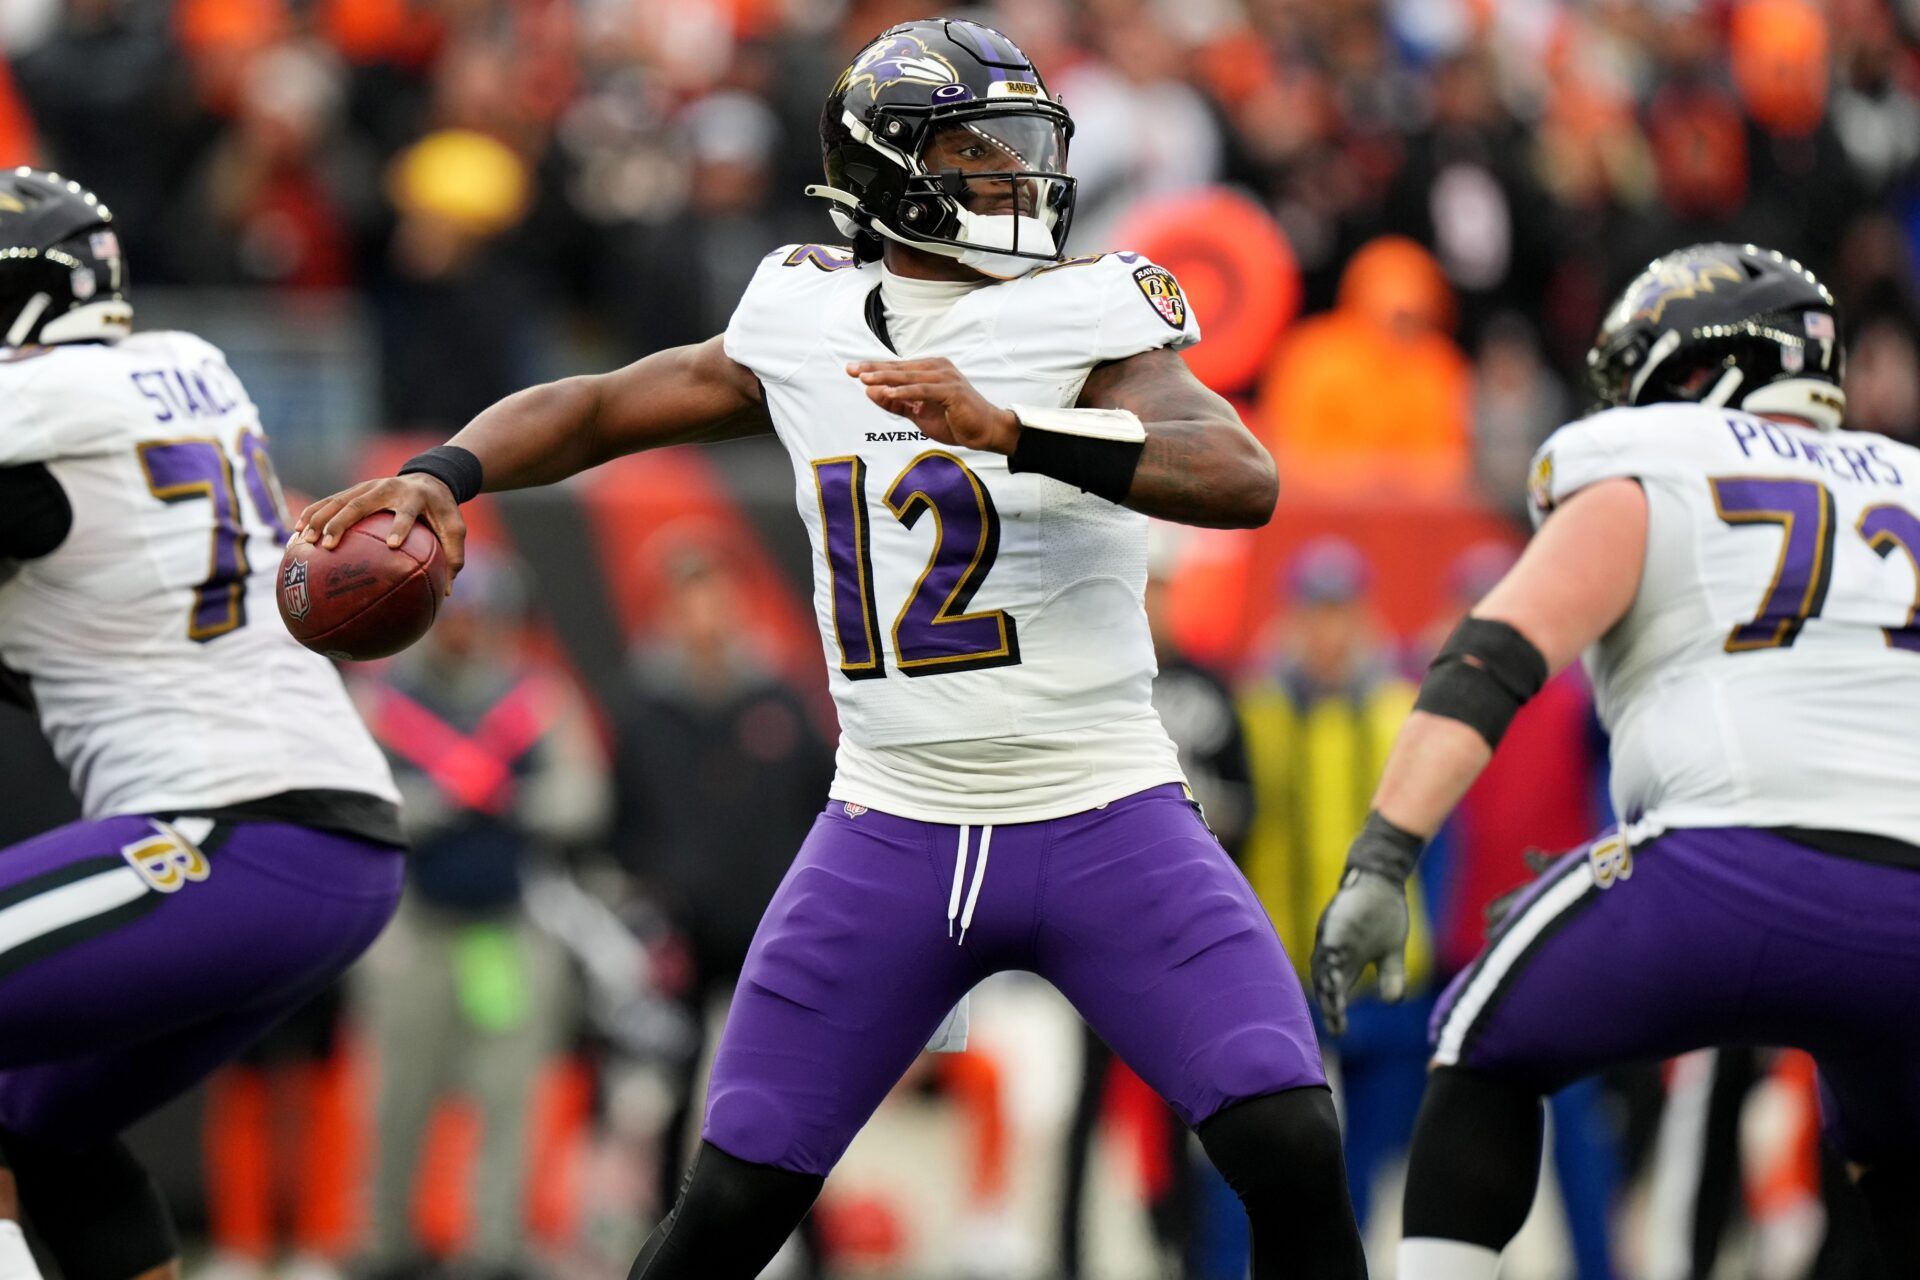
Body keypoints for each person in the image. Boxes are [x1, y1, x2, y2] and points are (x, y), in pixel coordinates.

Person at [295, 19, 1365, 1280]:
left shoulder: (1093, 310)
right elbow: (598, 404)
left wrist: (1017, 431)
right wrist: (441, 473)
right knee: (731, 1204)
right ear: (886, 172)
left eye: (1019, 146)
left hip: (1104, 806)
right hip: (891, 826)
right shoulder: (804, 314)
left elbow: (1240, 475)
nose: (1013, 178)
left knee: (1289, 1135)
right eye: (975, 150)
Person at [1309, 242, 1920, 1278]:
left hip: (1728, 865)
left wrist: (1383, 854)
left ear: (1693, 371)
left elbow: (1492, 655)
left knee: (1477, 1041)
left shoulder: (1657, 458)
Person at [0, 167, 405, 1280]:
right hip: (332, 843)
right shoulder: (192, 366)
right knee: (43, 1126)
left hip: (229, 833)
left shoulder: (45, 401)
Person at [353, 557, 606, 1280]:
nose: (465, 629)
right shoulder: (384, 697)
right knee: (397, 1093)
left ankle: (492, 1249)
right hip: (414, 924)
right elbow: (356, 796)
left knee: (508, 1093)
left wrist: (507, 797)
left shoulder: (535, 697)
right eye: (451, 615)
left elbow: (584, 797)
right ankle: (383, 1243)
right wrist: (432, 802)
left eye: (478, 615)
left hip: (508, 924)